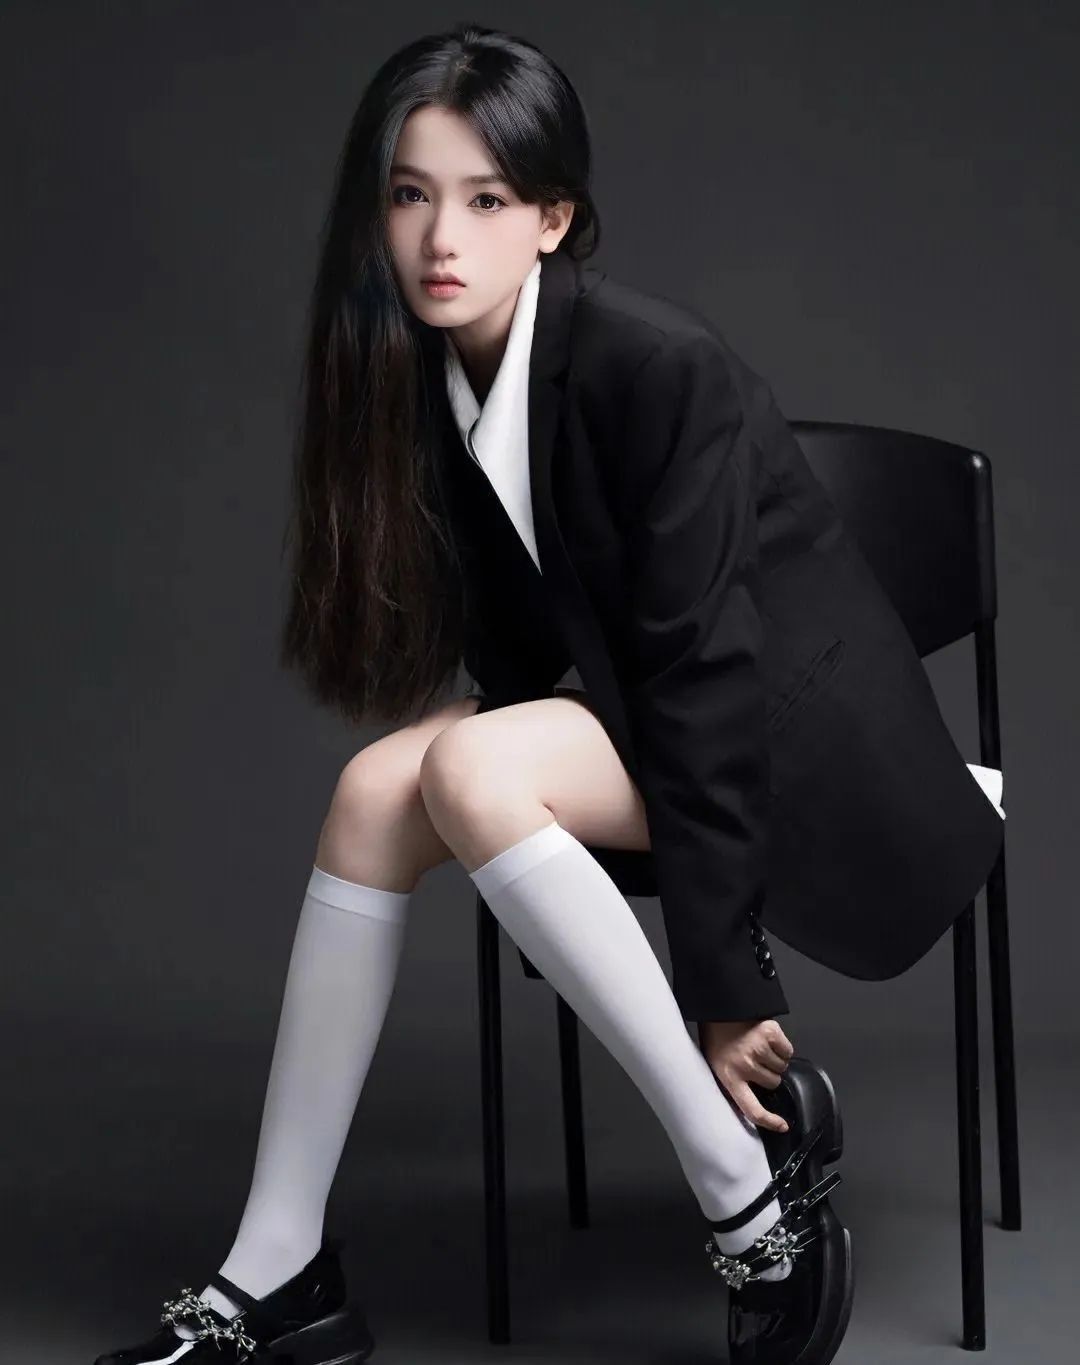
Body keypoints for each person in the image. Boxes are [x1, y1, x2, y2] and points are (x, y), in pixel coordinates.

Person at [93, 20, 1005, 1365]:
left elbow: (706, 669)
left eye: (486, 200)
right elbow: (534, 646)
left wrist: (722, 975)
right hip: (656, 719)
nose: (438, 239)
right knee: (372, 789)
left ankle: (747, 1200)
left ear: (553, 220)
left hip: (823, 766)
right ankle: (276, 1268)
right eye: (410, 195)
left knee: (467, 769)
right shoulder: (418, 378)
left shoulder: (657, 363)